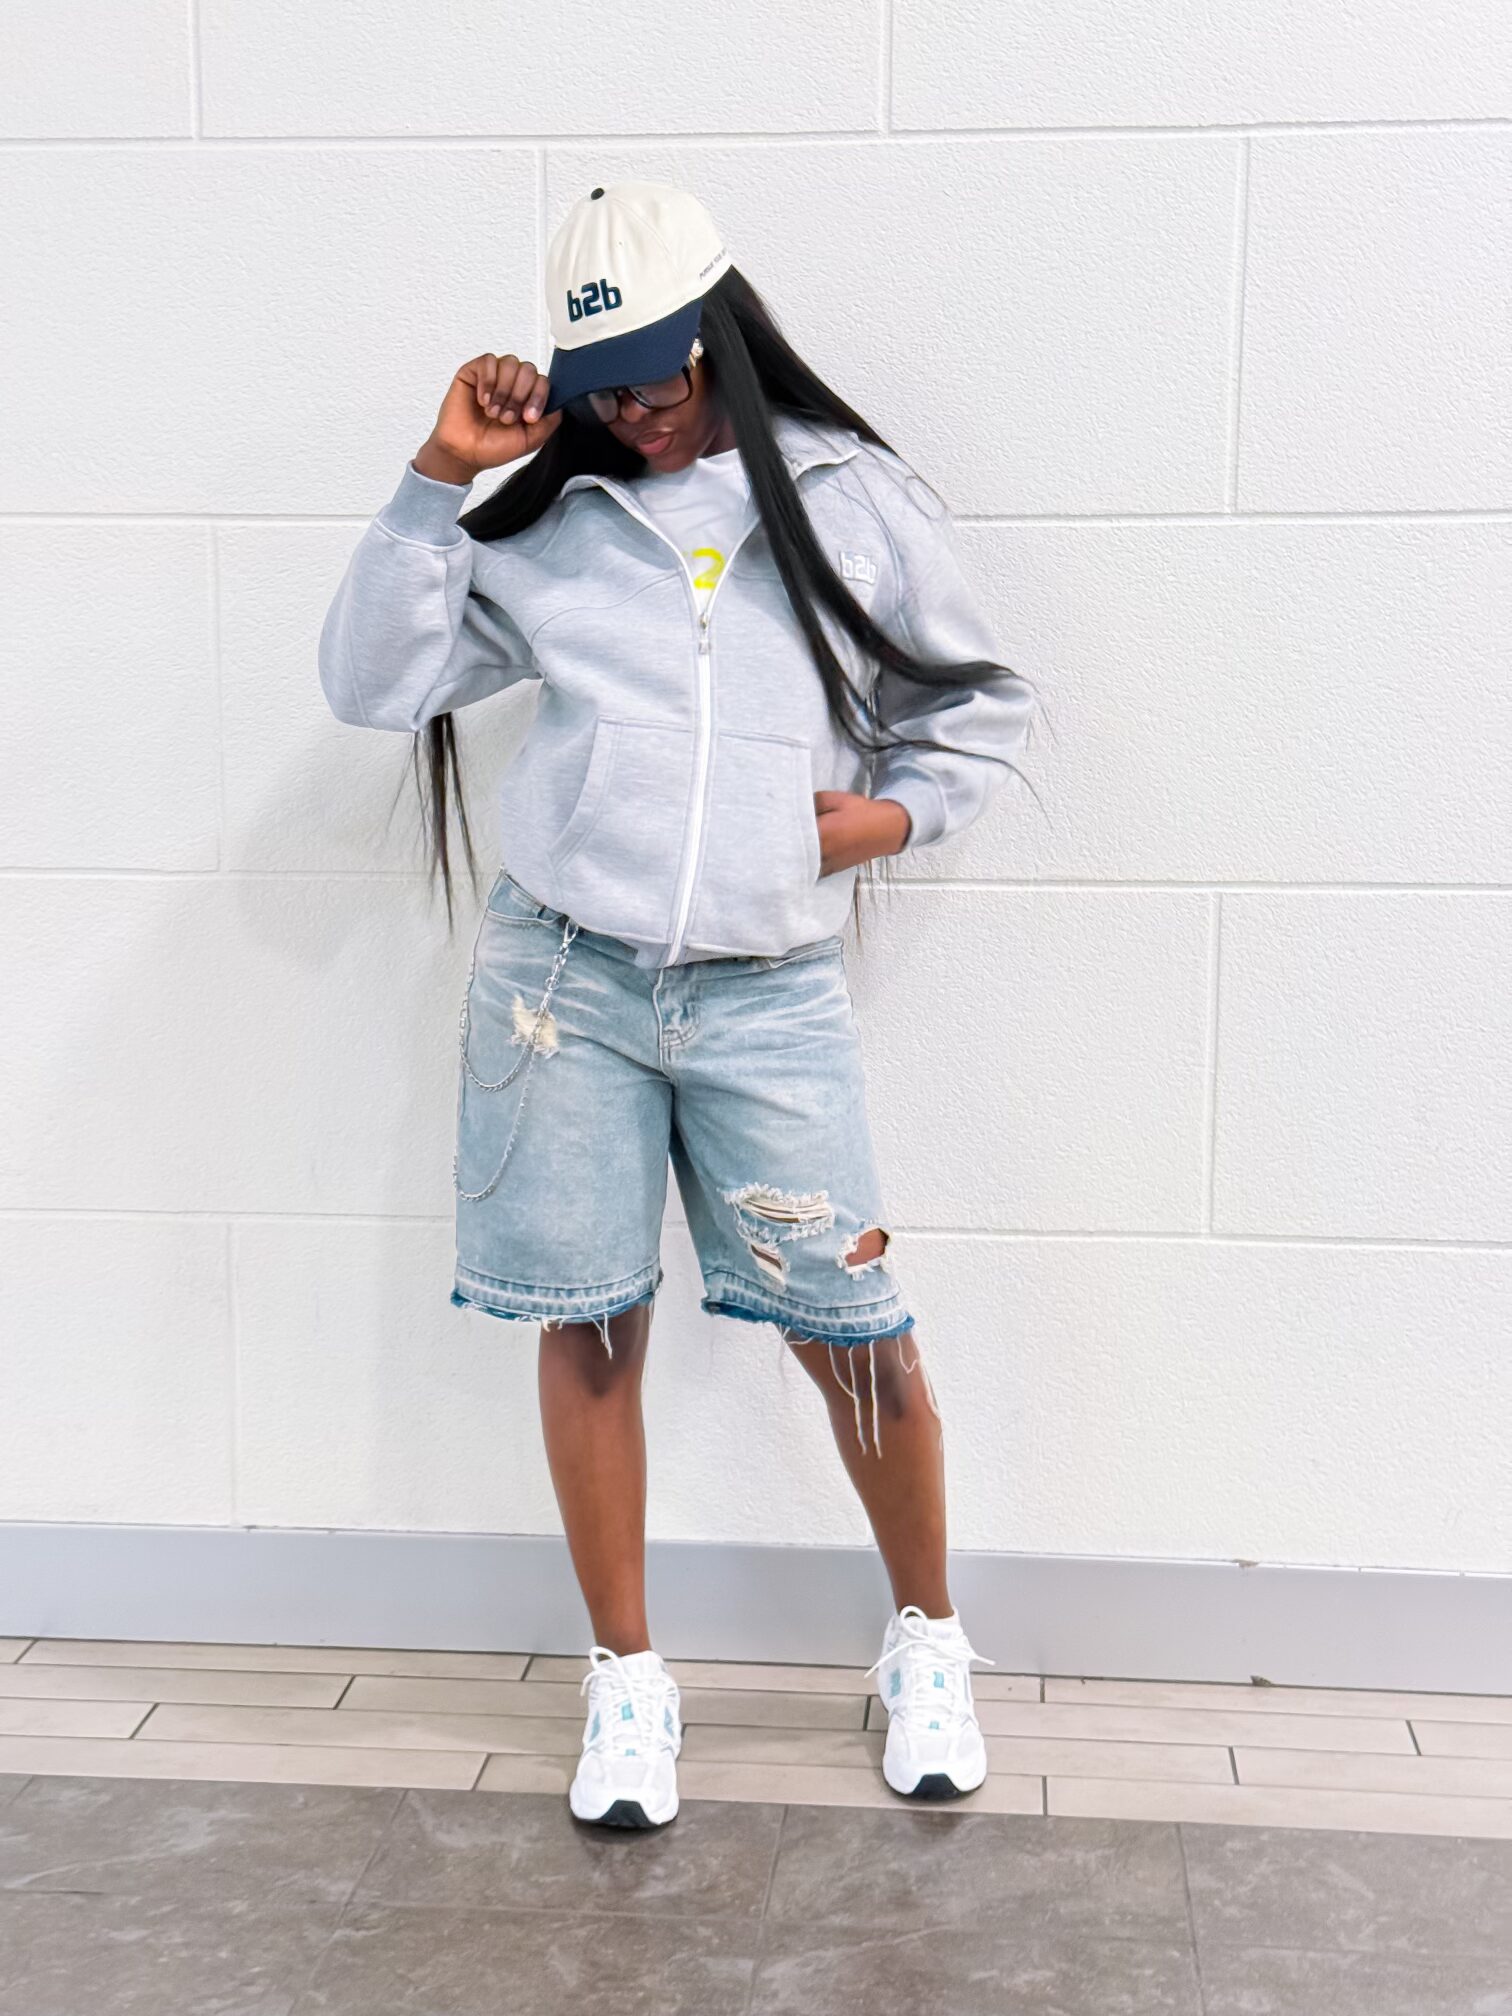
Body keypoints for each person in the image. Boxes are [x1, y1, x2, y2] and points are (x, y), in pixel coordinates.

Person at [317, 180, 1040, 1830]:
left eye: (659, 375)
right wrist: (439, 476)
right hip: (562, 986)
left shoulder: (849, 501)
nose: (635, 413)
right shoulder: (557, 522)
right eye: (603, 389)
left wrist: (877, 823)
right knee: (587, 1322)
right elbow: (370, 685)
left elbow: (975, 709)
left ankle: (928, 1642)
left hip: (764, 993)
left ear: (720, 335)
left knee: (855, 1332)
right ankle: (628, 1679)